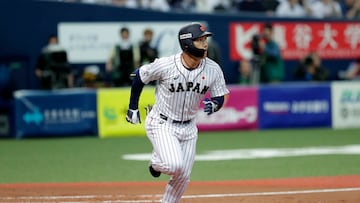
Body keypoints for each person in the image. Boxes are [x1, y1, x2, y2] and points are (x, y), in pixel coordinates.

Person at [125, 22, 230, 203]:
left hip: (189, 127)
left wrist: (215, 104)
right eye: (199, 40)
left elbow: (221, 95)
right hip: (162, 122)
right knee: (175, 165)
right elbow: (140, 76)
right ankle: (156, 163)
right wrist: (133, 107)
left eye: (205, 39)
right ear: (187, 43)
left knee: (183, 175)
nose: (205, 43)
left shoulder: (213, 69)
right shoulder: (166, 65)